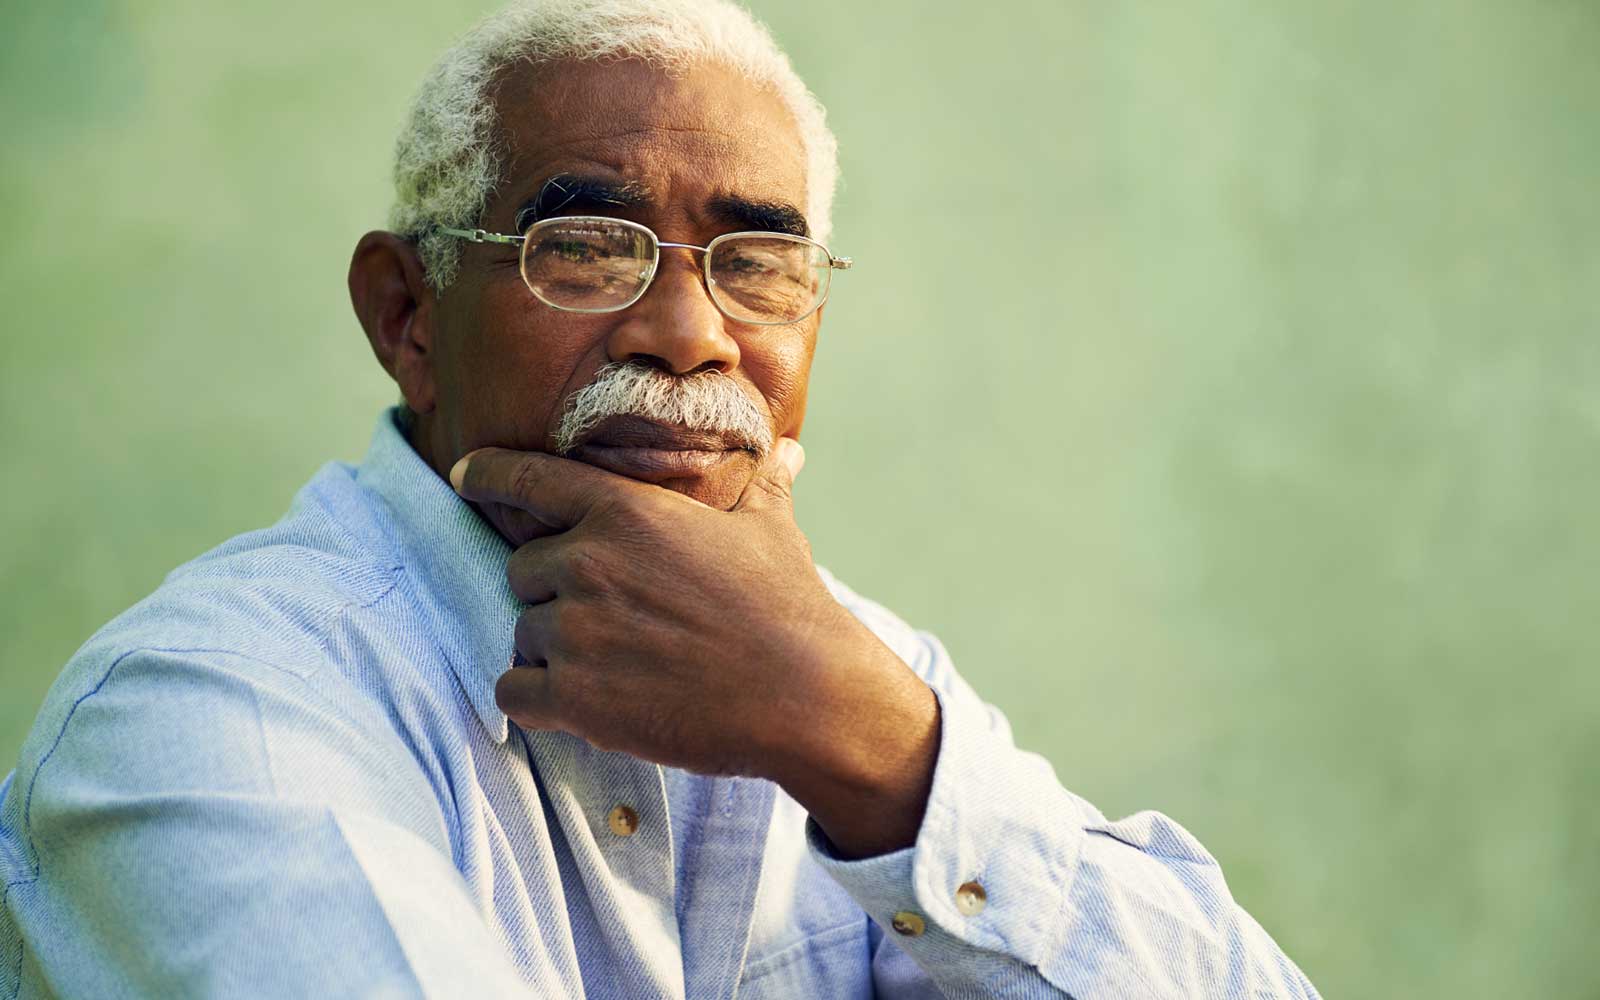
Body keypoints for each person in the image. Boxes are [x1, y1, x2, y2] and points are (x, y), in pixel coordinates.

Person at [0, 1, 1322, 996]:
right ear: (408, 316)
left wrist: (876, 747)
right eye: (584, 247)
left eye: (759, 263)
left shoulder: (845, 672)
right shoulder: (215, 711)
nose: (691, 333)